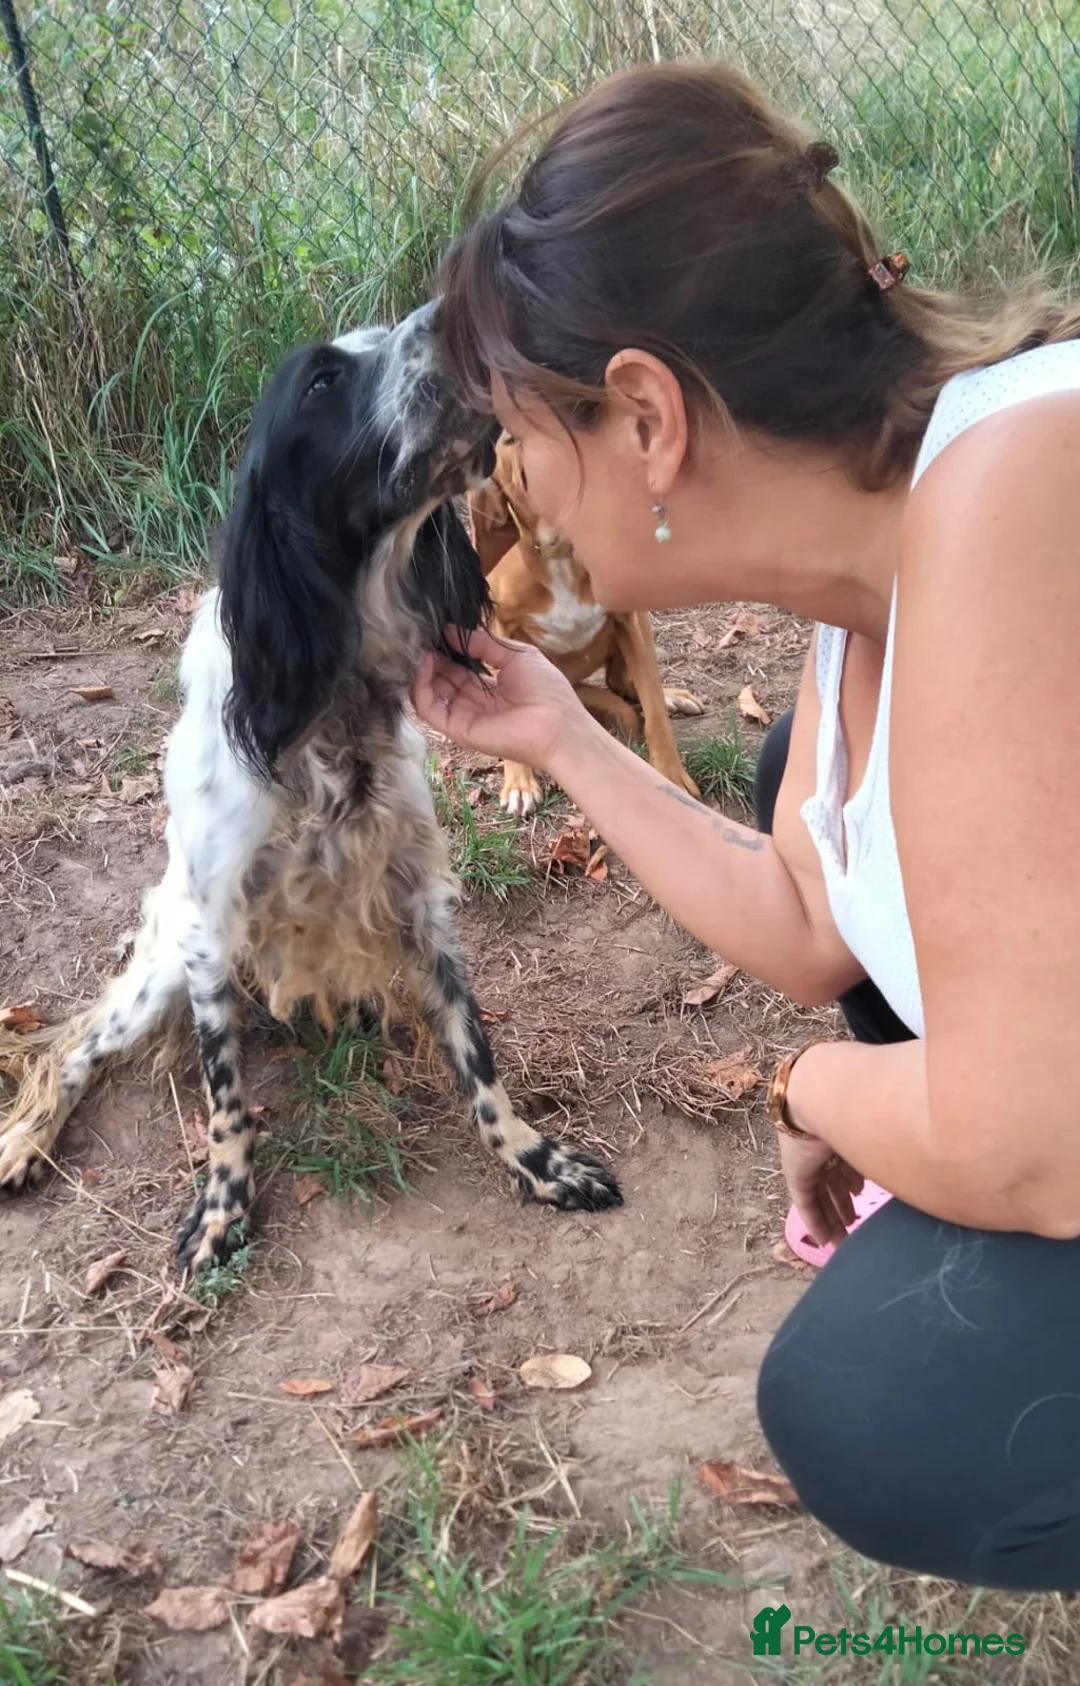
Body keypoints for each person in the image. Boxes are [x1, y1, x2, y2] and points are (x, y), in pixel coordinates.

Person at [413, 59, 1080, 1592]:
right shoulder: (868, 572)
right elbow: (805, 915)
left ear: (647, 416)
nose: (519, 488)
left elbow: (1034, 1145)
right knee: (805, 773)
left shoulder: (1015, 492)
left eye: (523, 435)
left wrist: (813, 1085)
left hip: (1054, 1126)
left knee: (883, 1408)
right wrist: (559, 732)